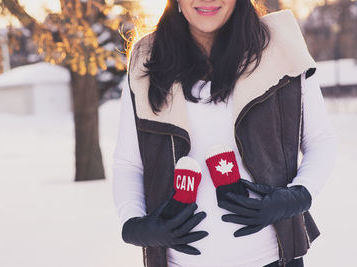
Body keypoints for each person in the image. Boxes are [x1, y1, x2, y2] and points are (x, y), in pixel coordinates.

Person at [112, 1, 337, 267]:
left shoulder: (282, 47)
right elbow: (128, 163)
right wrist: (134, 223)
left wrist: (297, 195)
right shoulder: (146, 59)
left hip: (272, 260)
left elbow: (320, 141)